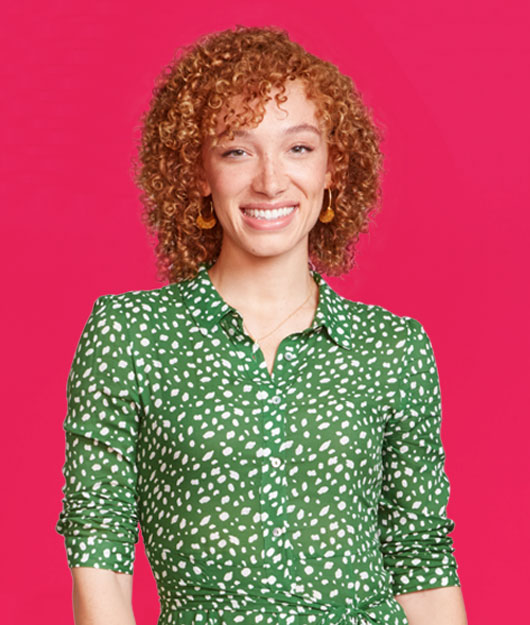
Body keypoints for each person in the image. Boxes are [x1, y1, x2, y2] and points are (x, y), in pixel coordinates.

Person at [55, 26, 467, 625]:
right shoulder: (130, 335)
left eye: (298, 148)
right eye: (236, 150)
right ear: (197, 173)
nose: (271, 181)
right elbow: (99, 546)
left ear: (333, 169)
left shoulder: (393, 348)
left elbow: (422, 561)